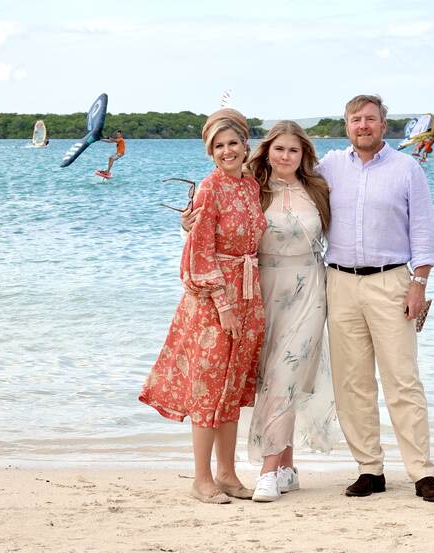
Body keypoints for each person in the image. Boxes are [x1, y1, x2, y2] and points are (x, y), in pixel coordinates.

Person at [182, 122, 339, 503]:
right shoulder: (253, 185)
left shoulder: (319, 188)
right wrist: (186, 223)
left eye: (294, 151)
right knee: (262, 378)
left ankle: (268, 472)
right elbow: (214, 230)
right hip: (258, 291)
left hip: (308, 291)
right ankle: (285, 466)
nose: (286, 157)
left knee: (286, 374)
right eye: (279, 149)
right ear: (266, 152)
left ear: (304, 156)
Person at [318, 94, 434, 502]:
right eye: (355, 120)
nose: (363, 126)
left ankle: (421, 473)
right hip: (338, 283)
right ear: (347, 126)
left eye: (370, 119)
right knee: (351, 383)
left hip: (392, 282)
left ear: (383, 125)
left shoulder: (407, 169)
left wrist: (419, 284)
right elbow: (285, 188)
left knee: (402, 380)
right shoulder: (329, 167)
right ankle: (369, 469)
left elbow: (423, 230)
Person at [139, 109, 267, 504]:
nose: (227, 151)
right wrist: (222, 303)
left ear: (246, 146)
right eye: (218, 146)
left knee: (233, 390)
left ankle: (228, 475)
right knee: (208, 388)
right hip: (214, 302)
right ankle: (202, 479)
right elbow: (200, 252)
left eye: (233, 143)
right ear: (210, 152)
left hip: (250, 295)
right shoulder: (209, 189)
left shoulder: (250, 187)